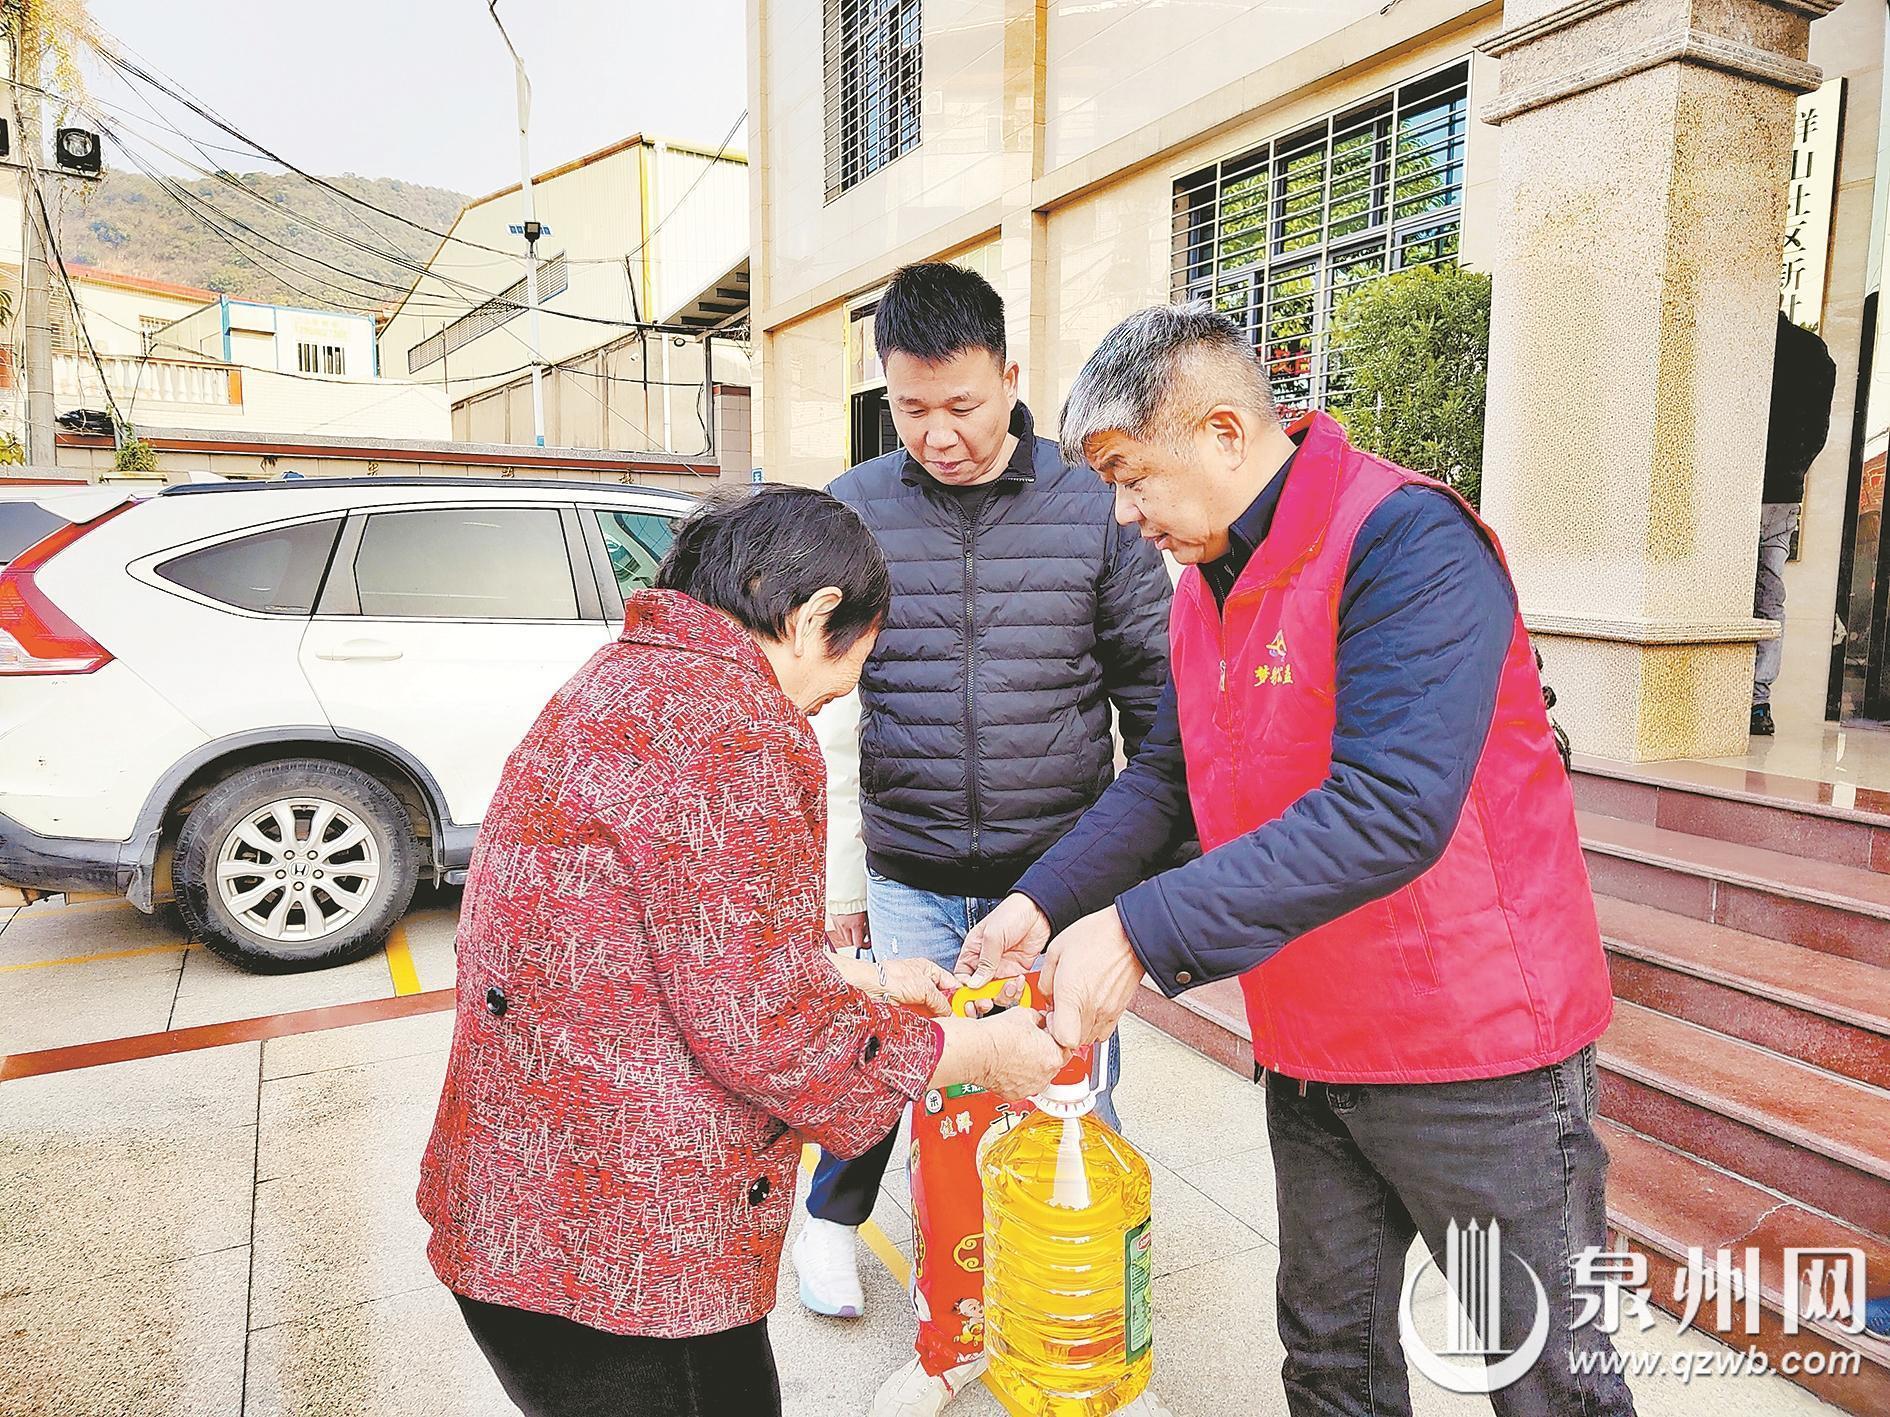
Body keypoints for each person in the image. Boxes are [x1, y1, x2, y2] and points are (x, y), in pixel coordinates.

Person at [962, 304, 1636, 1417]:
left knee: (1543, 1372)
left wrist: (1137, 934)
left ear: (1225, 432)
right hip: (1317, 1042)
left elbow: (1392, 808)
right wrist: (1044, 900)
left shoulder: (1405, 542)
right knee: (1331, 1359)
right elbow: (1172, 778)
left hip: (1473, 1059)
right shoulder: (1205, 585)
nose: (1125, 514)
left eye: (1132, 477)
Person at [416, 487, 1070, 1417]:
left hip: (528, 1209)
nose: (845, 690)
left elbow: (676, 938)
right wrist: (982, 1054)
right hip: (631, 1255)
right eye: (856, 657)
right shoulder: (742, 727)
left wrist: (868, 977)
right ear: (812, 616)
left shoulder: (625, 677)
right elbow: (766, 1026)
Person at [795, 261, 1173, 1417]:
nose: (939, 435)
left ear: (1011, 376)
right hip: (910, 874)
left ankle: (1087, 1350)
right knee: (934, 1111)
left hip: (1058, 879)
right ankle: (950, 1335)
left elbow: (1155, 709)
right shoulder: (855, 505)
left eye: (962, 404)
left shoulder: (1093, 505)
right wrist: (840, 880)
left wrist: (1126, 890)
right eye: (911, 409)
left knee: (1070, 1103)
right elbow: (824, 709)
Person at [1753, 310, 1836, 737]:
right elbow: (1817, 433)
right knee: (1770, 597)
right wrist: (1794, 470)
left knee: (1727, 593)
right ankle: (1757, 700)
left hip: (1743, 489)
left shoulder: (1752, 342)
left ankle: (1733, 695)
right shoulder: (1812, 352)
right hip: (1783, 491)